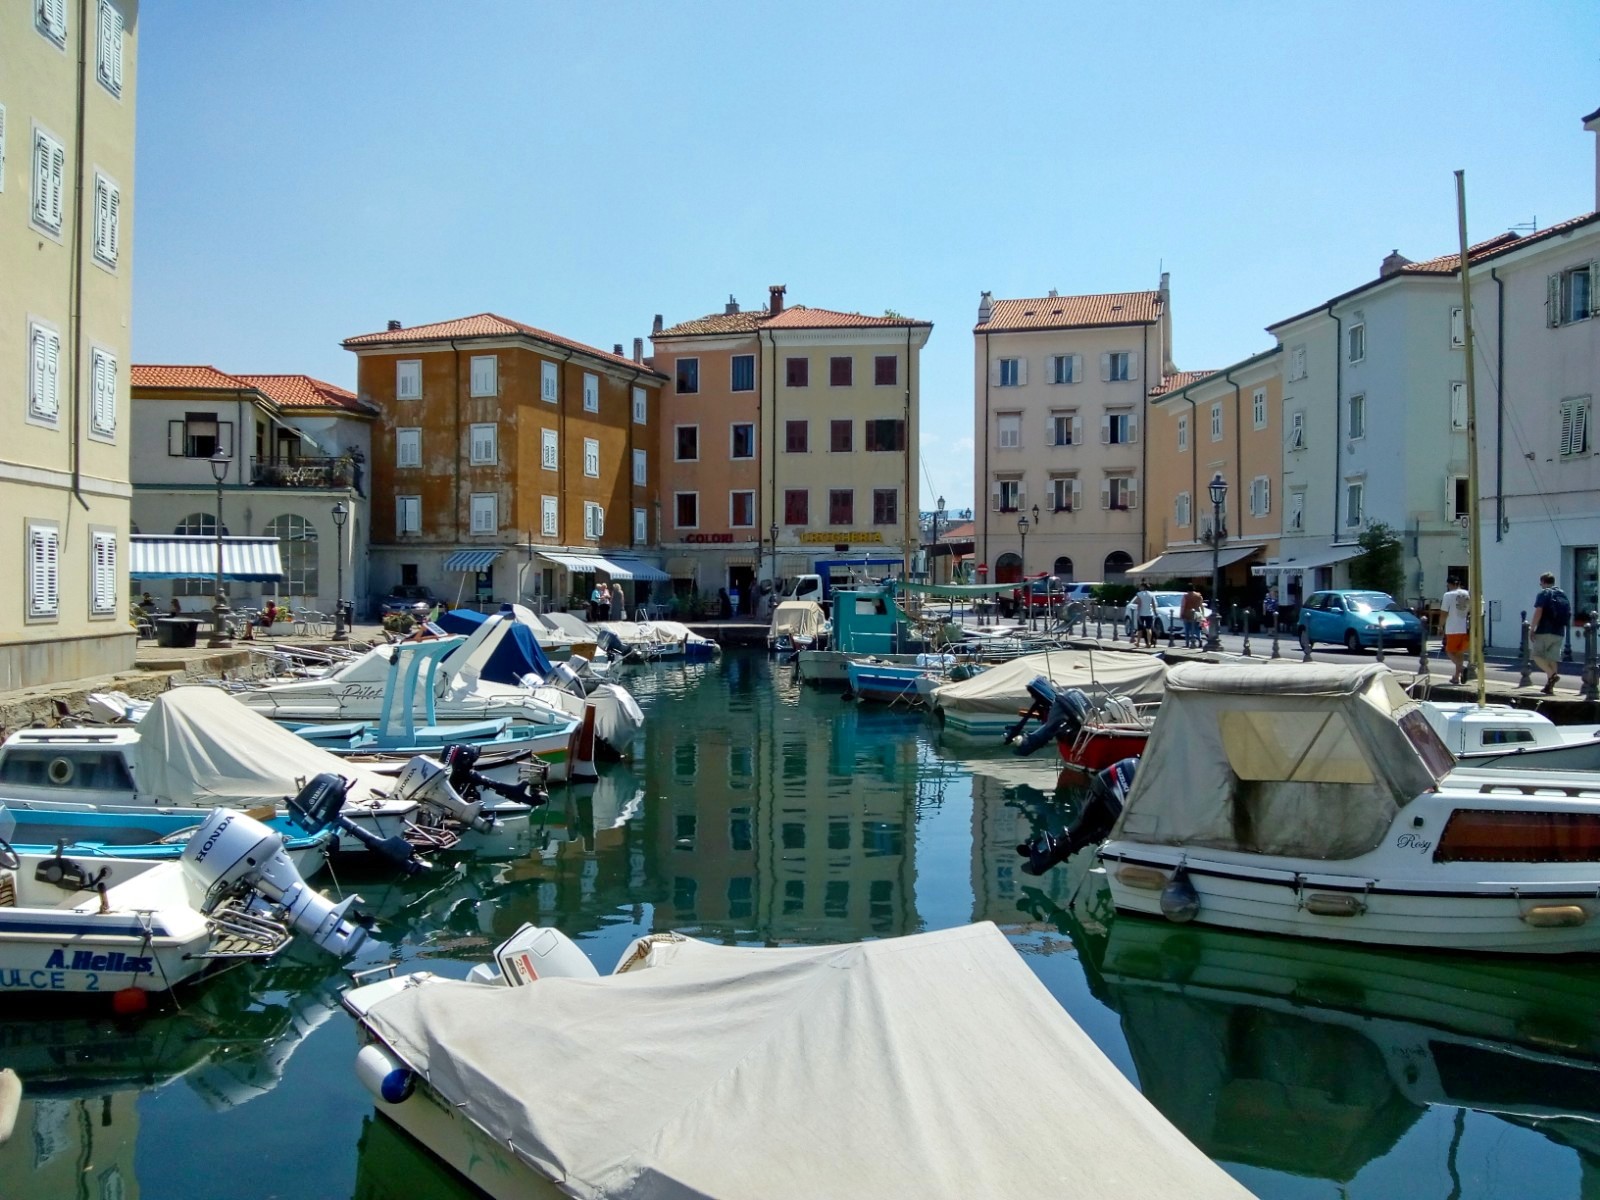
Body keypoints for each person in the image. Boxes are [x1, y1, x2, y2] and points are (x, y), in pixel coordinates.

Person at [1531, 571, 1571, 694]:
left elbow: (1539, 611)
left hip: (1544, 630)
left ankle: (1551, 674)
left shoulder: (1544, 593)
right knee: (1552, 659)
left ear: (1543, 582)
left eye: (1541, 583)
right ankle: (1550, 688)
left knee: (1536, 656)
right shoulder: (1562, 594)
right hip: (1559, 631)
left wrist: (1532, 628)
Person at [1441, 576, 1471, 685]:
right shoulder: (1467, 594)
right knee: (1459, 653)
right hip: (1463, 627)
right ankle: (1456, 677)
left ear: (1450, 584)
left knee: (1449, 651)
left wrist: (1440, 626)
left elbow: (1444, 613)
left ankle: (1462, 669)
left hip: (1452, 628)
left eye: (1448, 585)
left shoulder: (1448, 595)